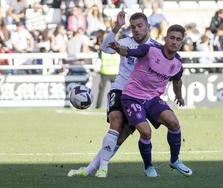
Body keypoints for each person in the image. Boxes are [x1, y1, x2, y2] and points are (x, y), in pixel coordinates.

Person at [67, 11, 159, 178]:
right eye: (133, 27)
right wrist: (117, 26)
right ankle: (103, 168)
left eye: (140, 26)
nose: (136, 30)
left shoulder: (156, 48)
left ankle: (89, 169)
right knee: (115, 121)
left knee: (120, 138)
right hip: (120, 88)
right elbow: (104, 48)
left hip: (138, 97)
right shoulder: (125, 42)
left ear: (148, 27)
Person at [108, 24, 193, 177]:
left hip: (152, 99)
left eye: (178, 39)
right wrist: (117, 48)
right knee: (146, 132)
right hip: (131, 97)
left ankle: (175, 160)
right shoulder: (150, 50)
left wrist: (179, 96)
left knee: (174, 123)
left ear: (181, 43)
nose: (174, 42)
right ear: (165, 39)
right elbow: (128, 52)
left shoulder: (178, 64)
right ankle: (148, 167)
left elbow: (177, 82)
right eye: (172, 38)